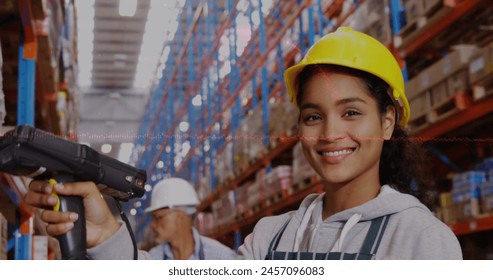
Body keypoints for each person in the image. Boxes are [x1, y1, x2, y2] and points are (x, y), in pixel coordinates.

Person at [25, 27, 462, 260]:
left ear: (387, 123)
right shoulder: (271, 238)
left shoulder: (420, 239)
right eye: (313, 116)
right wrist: (105, 235)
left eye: (351, 113)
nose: (330, 133)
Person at [26, 177, 236, 260]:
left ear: (179, 216)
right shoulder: (151, 258)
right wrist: (103, 238)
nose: (153, 225)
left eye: (159, 217)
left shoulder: (222, 258)